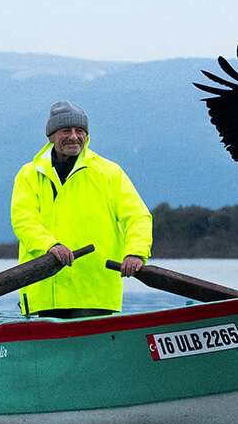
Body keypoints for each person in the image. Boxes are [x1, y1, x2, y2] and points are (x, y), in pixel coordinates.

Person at [10, 101, 152, 318]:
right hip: (44, 290)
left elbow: (137, 216)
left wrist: (136, 252)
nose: (74, 137)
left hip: (95, 291)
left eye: (80, 131)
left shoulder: (109, 173)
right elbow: (23, 219)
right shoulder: (28, 174)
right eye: (66, 130)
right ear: (51, 136)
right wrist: (50, 245)